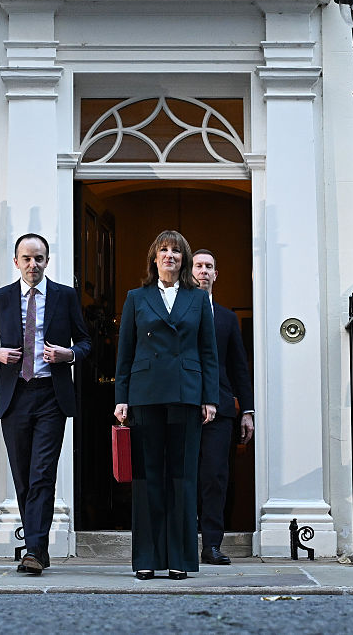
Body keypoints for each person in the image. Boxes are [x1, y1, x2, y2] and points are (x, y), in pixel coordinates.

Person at [0, 233, 91, 576]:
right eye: (27, 258)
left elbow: (85, 341)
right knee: (23, 478)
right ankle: (37, 549)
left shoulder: (65, 296)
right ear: (16, 262)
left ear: (47, 261)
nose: (33, 264)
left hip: (50, 395)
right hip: (15, 396)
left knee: (43, 473)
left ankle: (33, 550)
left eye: (39, 258)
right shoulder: (2, 298)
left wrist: (67, 354)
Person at [114, 230, 219, 581]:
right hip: (145, 394)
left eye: (176, 251)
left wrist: (210, 397)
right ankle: (146, 557)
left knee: (182, 478)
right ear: (154, 258)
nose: (170, 255)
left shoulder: (198, 299)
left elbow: (208, 352)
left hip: (187, 393)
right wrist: (121, 397)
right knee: (147, 479)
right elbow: (125, 352)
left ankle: (180, 559)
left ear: (184, 259)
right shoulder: (136, 297)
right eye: (164, 250)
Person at [191, 249, 255, 566]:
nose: (204, 271)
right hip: (183, 407)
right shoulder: (176, 314)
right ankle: (184, 542)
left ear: (216, 274)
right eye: (198, 266)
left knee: (215, 478)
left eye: (209, 267)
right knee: (183, 477)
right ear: (189, 273)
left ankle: (212, 545)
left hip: (221, 411)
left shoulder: (228, 318)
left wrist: (247, 410)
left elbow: (238, 368)